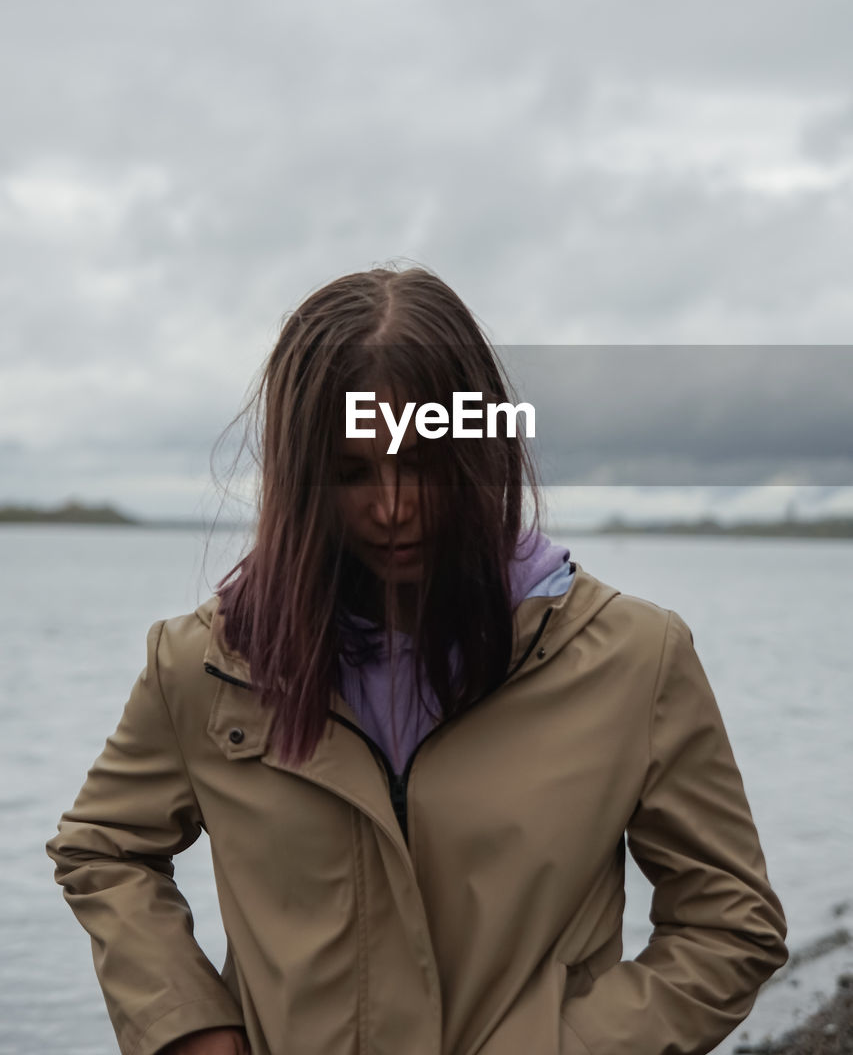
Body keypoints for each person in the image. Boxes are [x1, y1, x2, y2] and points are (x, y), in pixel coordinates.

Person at [47, 266, 787, 1055]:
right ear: (298, 476)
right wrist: (189, 1029)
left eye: (424, 464)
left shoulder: (637, 659)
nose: (392, 506)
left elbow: (728, 925)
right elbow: (104, 849)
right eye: (351, 472)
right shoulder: (206, 664)